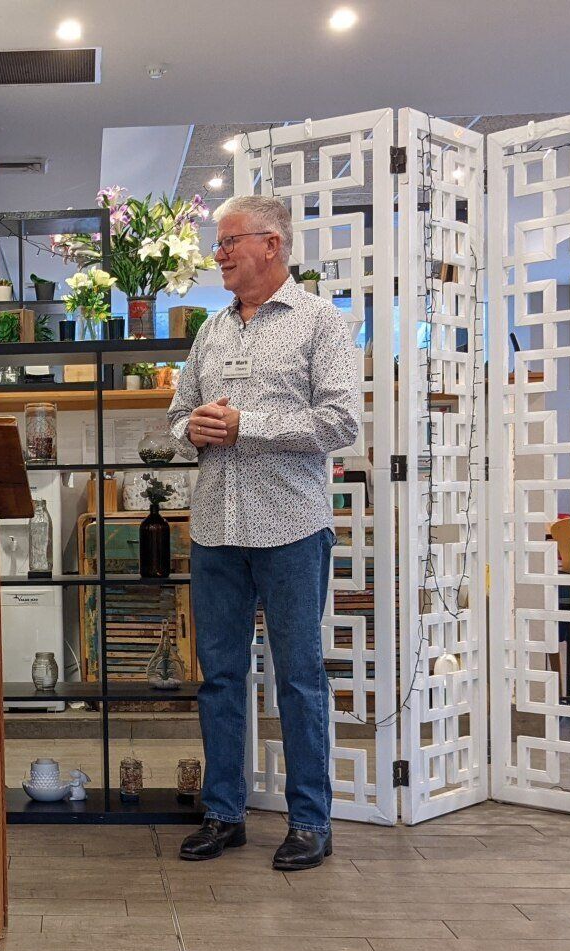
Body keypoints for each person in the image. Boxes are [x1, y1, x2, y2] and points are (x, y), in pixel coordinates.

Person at [166, 194, 362, 867]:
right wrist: (191, 429)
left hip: (292, 531)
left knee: (299, 678)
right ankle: (224, 812)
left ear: (271, 244)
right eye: (217, 244)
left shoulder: (321, 325)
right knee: (219, 677)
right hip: (217, 529)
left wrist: (249, 425)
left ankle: (310, 821)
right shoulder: (212, 331)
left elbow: (341, 424)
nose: (217, 254)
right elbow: (177, 416)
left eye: (228, 241)